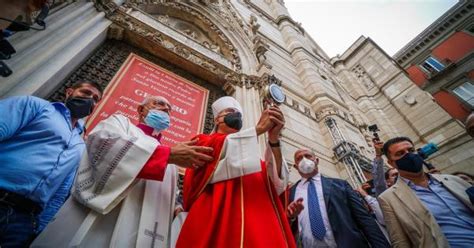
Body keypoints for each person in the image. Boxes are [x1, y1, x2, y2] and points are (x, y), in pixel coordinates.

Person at [31, 96, 214, 247]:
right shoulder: (120, 124)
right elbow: (103, 143)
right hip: (100, 223)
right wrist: (166, 156)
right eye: (159, 104)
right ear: (141, 110)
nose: (166, 109)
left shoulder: (173, 162)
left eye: (169, 108)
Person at [175, 96, 294, 248]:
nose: (236, 116)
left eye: (239, 114)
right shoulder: (203, 141)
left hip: (258, 222)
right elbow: (212, 155)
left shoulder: (253, 158)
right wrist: (257, 130)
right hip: (219, 217)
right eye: (230, 111)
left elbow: (277, 184)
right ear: (217, 119)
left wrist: (273, 138)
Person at [0, 81, 102, 247]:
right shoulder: (35, 105)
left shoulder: (80, 144)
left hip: (24, 220)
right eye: (85, 92)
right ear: (69, 92)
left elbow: (61, 190)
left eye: (95, 99)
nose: (90, 99)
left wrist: (40, 227)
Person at [378, 136, 474, 248]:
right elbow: (400, 242)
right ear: (392, 163)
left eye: (411, 150)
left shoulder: (455, 180)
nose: (409, 155)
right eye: (400, 153)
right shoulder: (389, 199)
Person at [288, 149, 390, 248]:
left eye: (308, 156)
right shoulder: (290, 193)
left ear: (316, 160)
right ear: (295, 166)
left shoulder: (341, 185)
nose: (304, 160)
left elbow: (364, 218)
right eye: (299, 158)